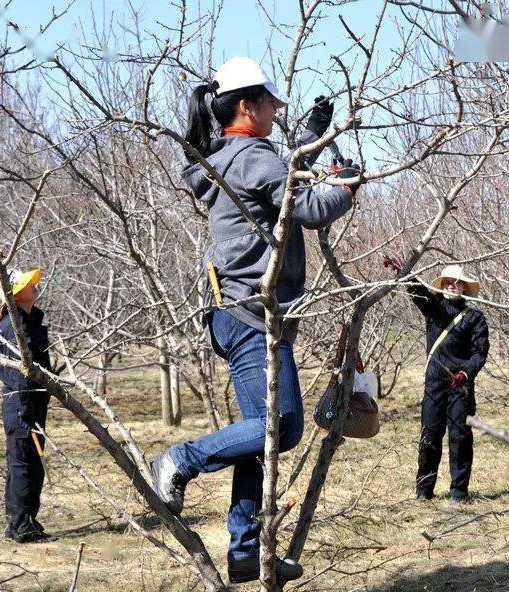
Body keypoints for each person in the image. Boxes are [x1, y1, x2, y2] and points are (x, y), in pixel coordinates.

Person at [151, 56, 363, 584]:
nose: (275, 111)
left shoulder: (233, 156)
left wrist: (312, 137)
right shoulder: (252, 155)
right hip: (252, 316)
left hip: (235, 311)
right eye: (270, 103)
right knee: (281, 427)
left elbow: (280, 184)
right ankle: (181, 459)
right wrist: (347, 184)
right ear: (247, 105)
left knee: (256, 440)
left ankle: (245, 549)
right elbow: (308, 208)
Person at [385, 259, 489, 502]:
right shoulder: (433, 308)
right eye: (448, 282)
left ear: (464, 287)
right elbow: (416, 291)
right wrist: (404, 272)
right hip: (434, 384)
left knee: (460, 437)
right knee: (430, 435)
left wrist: (465, 374)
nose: (453, 286)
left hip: (461, 386)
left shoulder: (475, 318)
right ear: (442, 285)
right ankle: (424, 491)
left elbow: (480, 352)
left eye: (458, 283)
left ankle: (459, 493)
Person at [0, 268, 56, 543]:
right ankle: (20, 528)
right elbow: (17, 375)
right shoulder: (11, 327)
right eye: (28, 285)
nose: (34, 286)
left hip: (32, 405)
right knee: (24, 467)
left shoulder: (30, 321)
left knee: (30, 465)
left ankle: (24, 522)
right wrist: (27, 412)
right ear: (15, 296)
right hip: (21, 407)